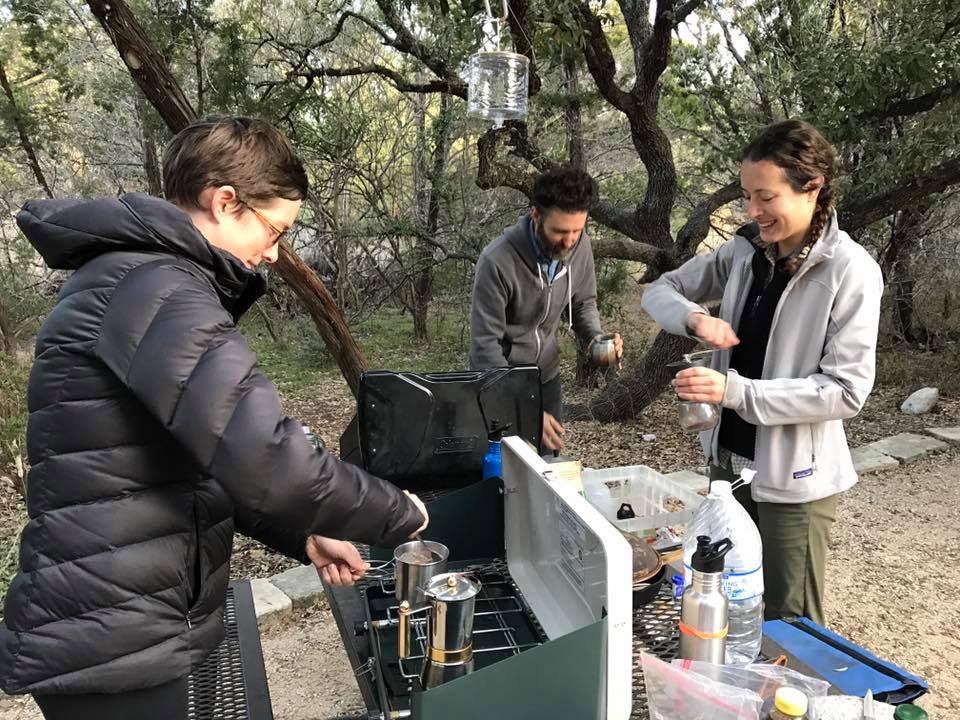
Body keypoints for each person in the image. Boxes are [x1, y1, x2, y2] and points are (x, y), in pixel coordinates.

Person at [0, 116, 428, 720]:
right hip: (112, 637)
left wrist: (300, 534)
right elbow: (267, 458)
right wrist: (402, 510)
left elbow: (194, 466)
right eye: (275, 229)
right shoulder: (158, 288)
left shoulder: (139, 278)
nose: (275, 252)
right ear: (225, 201)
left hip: (119, 620)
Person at [642, 120, 883, 625]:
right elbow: (659, 289)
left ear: (812, 188)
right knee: (724, 598)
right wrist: (695, 318)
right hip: (728, 464)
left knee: (788, 620)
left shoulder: (849, 270)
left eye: (764, 197)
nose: (751, 212)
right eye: (747, 196)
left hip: (795, 480)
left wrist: (735, 390)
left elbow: (846, 391)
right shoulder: (745, 253)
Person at [469, 166, 623, 451]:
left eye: (577, 230)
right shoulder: (497, 261)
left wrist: (596, 339)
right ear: (536, 215)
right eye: (560, 232)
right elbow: (484, 349)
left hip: (546, 379)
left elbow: (583, 304)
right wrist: (522, 412)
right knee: (507, 474)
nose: (569, 241)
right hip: (502, 381)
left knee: (550, 469)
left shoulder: (581, 246)